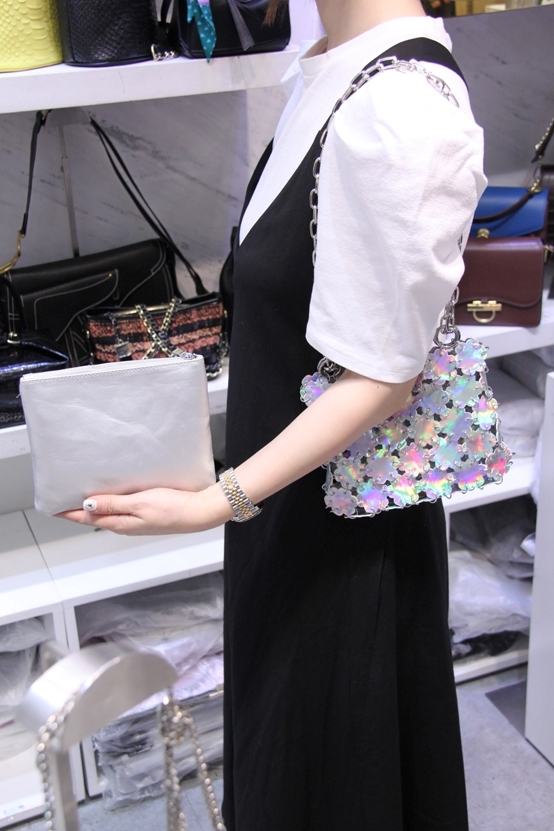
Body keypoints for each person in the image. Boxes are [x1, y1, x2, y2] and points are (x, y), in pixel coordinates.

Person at [62, 0, 486, 828]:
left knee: (328, 778)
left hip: (343, 546)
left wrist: (212, 502)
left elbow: (382, 378)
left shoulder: (401, 107)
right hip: (288, 515)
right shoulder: (333, 67)